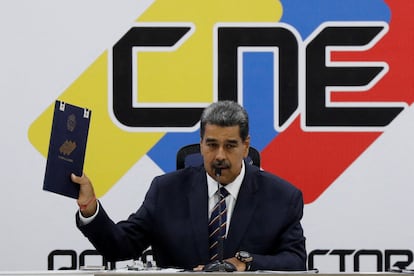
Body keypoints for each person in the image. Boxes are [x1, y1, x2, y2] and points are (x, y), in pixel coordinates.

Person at [73, 100, 307, 271]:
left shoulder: (282, 197)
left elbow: (295, 260)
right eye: (212, 145)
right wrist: (90, 208)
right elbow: (120, 246)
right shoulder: (166, 191)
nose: (219, 156)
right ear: (201, 144)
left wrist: (244, 263)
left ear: (246, 147)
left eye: (230, 146)